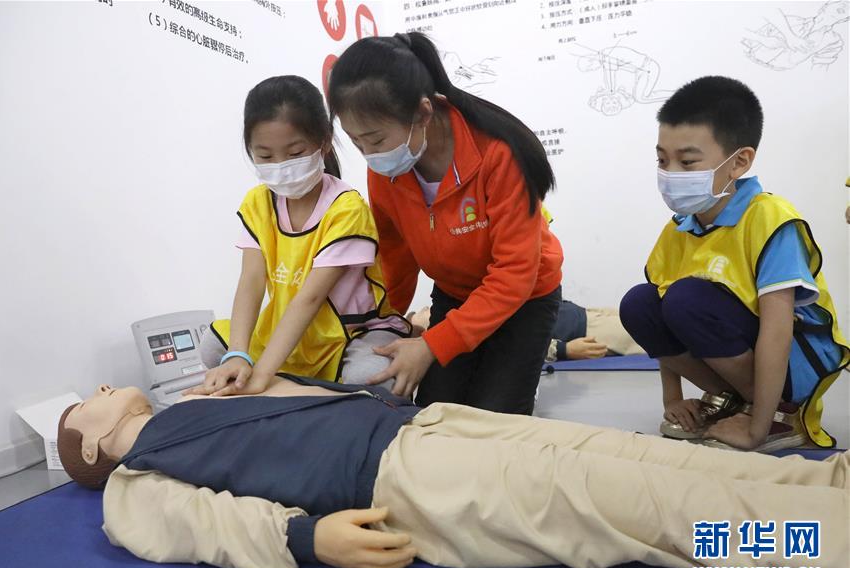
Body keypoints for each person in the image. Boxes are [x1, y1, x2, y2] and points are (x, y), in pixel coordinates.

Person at [57, 379, 850, 568]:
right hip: (408, 480)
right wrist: (306, 537)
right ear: (89, 443)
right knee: (650, 514)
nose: (100, 387)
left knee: (641, 456)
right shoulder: (134, 480)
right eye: (85, 400)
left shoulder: (194, 405)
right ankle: (825, 546)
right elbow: (201, 525)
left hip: (430, 425)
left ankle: (829, 484)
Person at [326, 32, 564, 414]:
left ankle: (518, 382)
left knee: (492, 419)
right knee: (435, 411)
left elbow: (515, 274)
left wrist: (432, 345)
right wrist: (382, 324)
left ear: (423, 112)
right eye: (357, 143)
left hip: (525, 299)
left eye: (376, 139)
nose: (370, 155)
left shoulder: (497, 155)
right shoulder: (385, 172)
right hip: (455, 294)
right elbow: (395, 258)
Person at [619, 76, 849, 452]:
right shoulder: (678, 229)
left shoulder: (769, 219)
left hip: (796, 362)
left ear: (739, 162)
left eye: (687, 162)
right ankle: (736, 401)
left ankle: (779, 415)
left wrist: (757, 430)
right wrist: (672, 400)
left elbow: (778, 330)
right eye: (662, 160)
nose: (671, 173)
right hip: (746, 359)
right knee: (640, 303)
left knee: (686, 299)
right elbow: (657, 313)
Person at [196, 76, 409, 396]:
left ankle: (288, 380)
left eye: (295, 153)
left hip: (348, 333)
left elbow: (310, 299)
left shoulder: (346, 208)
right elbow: (251, 281)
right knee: (214, 347)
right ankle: (289, 379)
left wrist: (262, 376)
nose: (280, 166)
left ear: (324, 143)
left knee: (370, 376)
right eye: (265, 156)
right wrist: (237, 355)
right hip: (288, 326)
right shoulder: (258, 202)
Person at [409, 302, 644, 362]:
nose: (426, 308)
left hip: (582, 313)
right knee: (655, 333)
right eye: (421, 312)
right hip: (586, 331)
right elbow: (512, 343)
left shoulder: (461, 312)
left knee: (646, 314)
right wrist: (563, 350)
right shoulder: (461, 333)